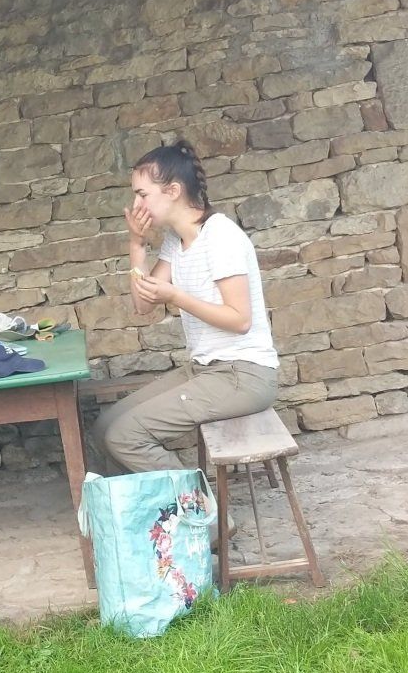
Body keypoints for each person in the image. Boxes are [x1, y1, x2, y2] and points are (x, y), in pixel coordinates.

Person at [92, 140, 279, 473]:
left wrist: (176, 297)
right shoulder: (175, 242)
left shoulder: (220, 236)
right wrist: (136, 244)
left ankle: (200, 505)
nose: (136, 204)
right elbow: (143, 304)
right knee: (105, 427)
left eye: (142, 194)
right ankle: (150, 503)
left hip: (244, 374)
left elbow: (240, 320)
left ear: (173, 191)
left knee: (125, 436)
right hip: (206, 369)